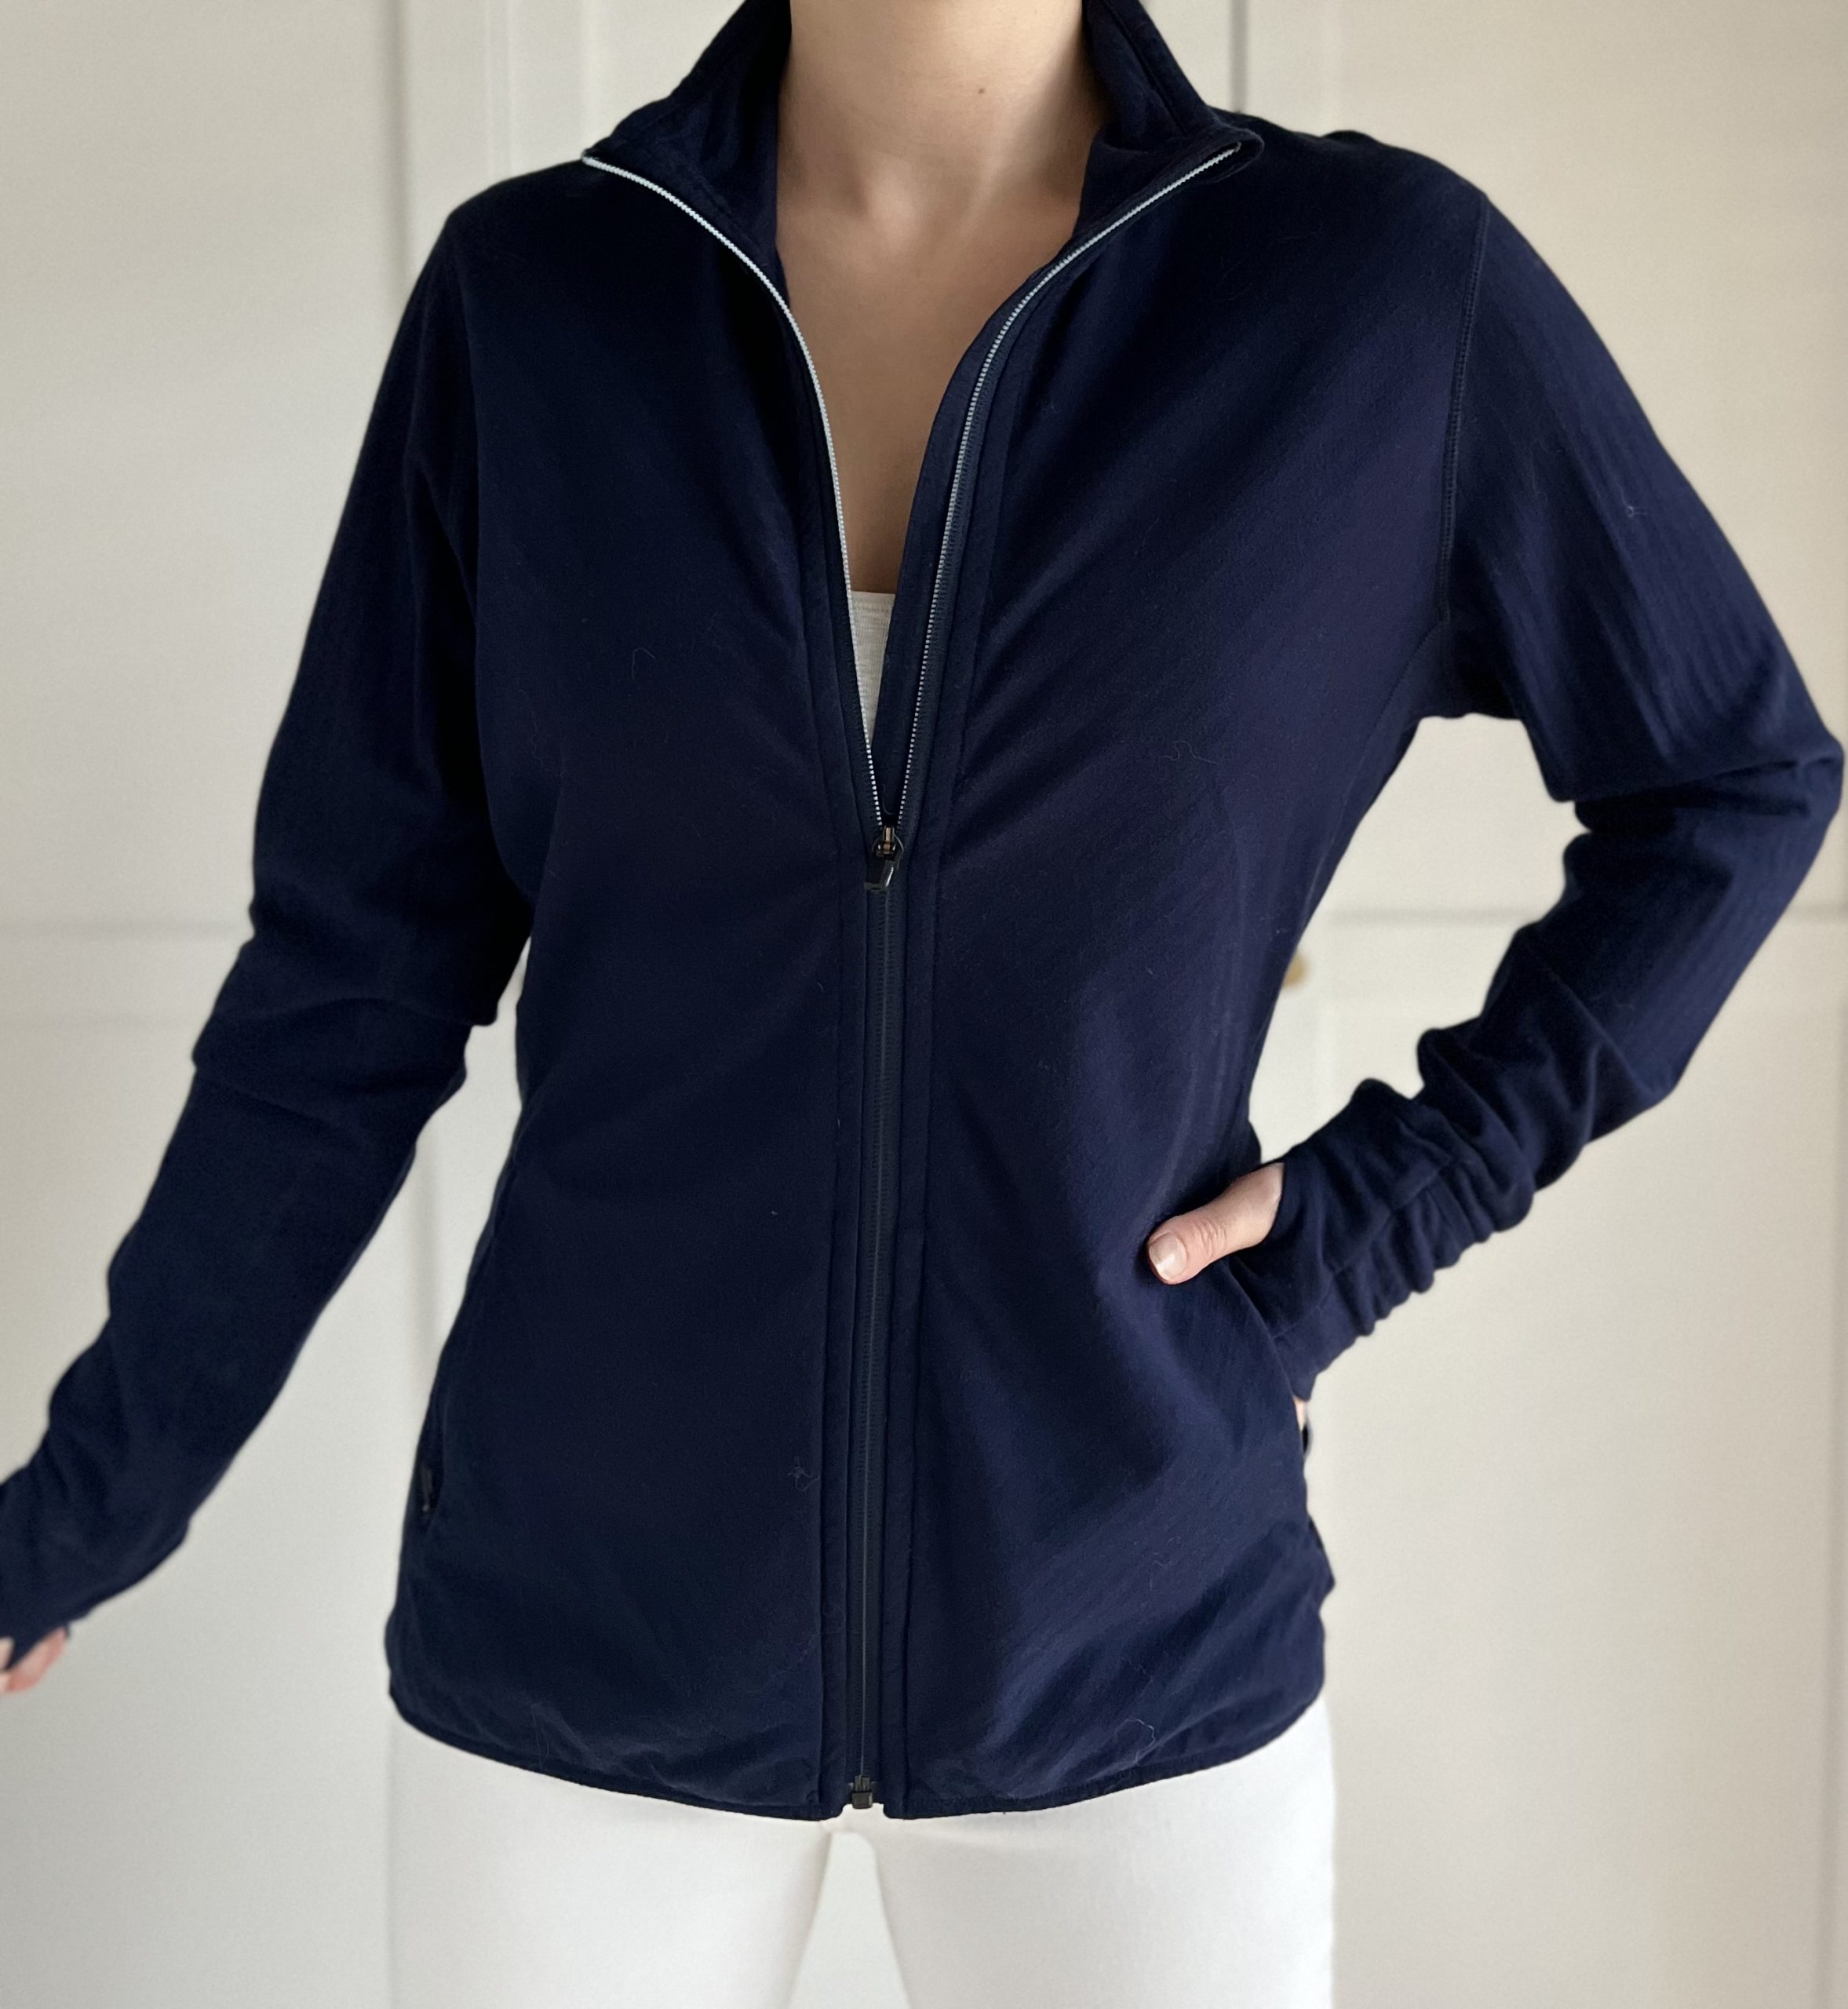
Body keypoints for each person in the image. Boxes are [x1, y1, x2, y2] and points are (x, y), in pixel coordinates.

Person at [2, 0, 1839, 2000]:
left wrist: (1370, 1216)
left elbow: (1728, 779)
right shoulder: (536, 302)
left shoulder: (1364, 296)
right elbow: (342, 986)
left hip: (1130, 1641)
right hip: (578, 1650)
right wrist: (78, 1508)